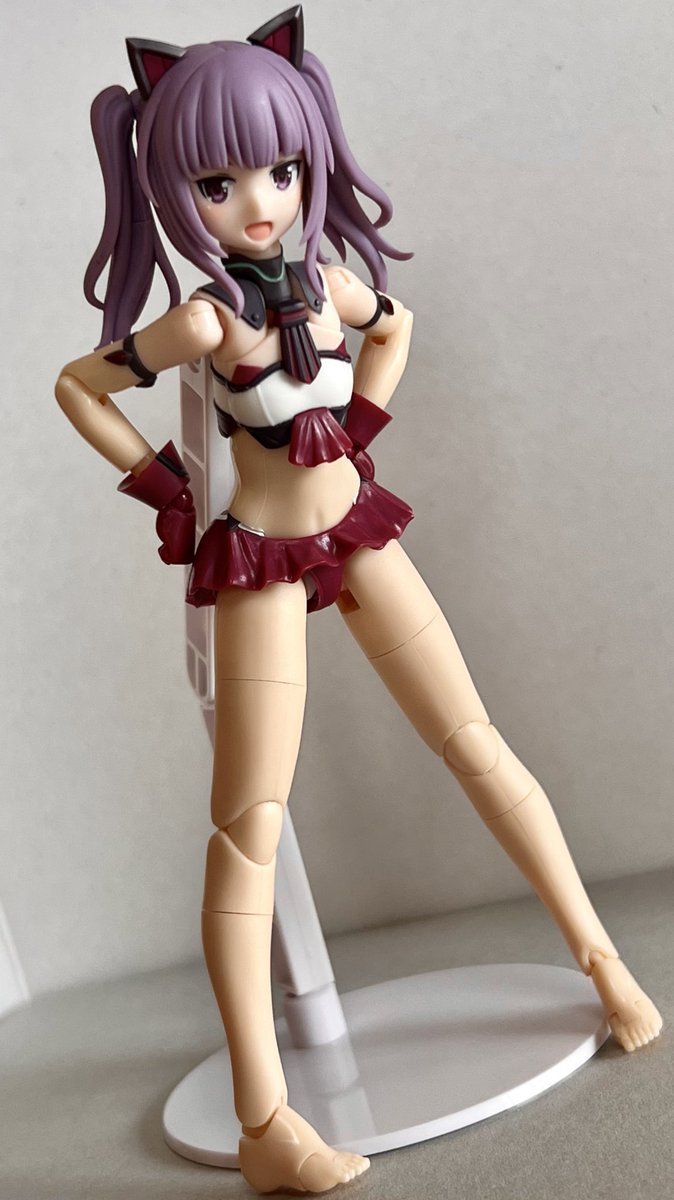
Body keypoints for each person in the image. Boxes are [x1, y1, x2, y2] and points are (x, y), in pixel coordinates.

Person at [55, 8, 661, 1194]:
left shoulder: (329, 283)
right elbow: (79, 386)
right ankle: (264, 1122)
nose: (258, 202)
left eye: (280, 170)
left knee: (475, 741)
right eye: (219, 183)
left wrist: (358, 430)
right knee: (249, 826)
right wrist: (165, 488)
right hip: (260, 561)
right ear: (177, 190)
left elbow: (395, 326)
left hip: (359, 535)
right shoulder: (204, 320)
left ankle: (600, 961)